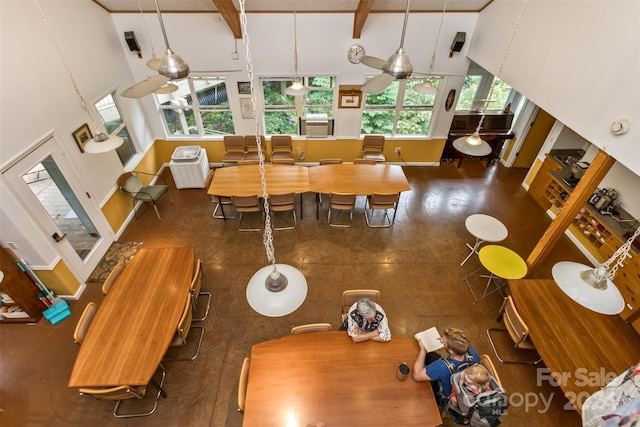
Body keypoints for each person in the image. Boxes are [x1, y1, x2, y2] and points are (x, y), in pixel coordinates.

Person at [412, 327, 480, 405]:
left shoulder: (441, 366)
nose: (442, 342)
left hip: (447, 396)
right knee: (431, 356)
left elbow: (416, 375)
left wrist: (422, 350)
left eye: (443, 343)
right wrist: (446, 340)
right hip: (467, 388)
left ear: (451, 351)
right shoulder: (472, 352)